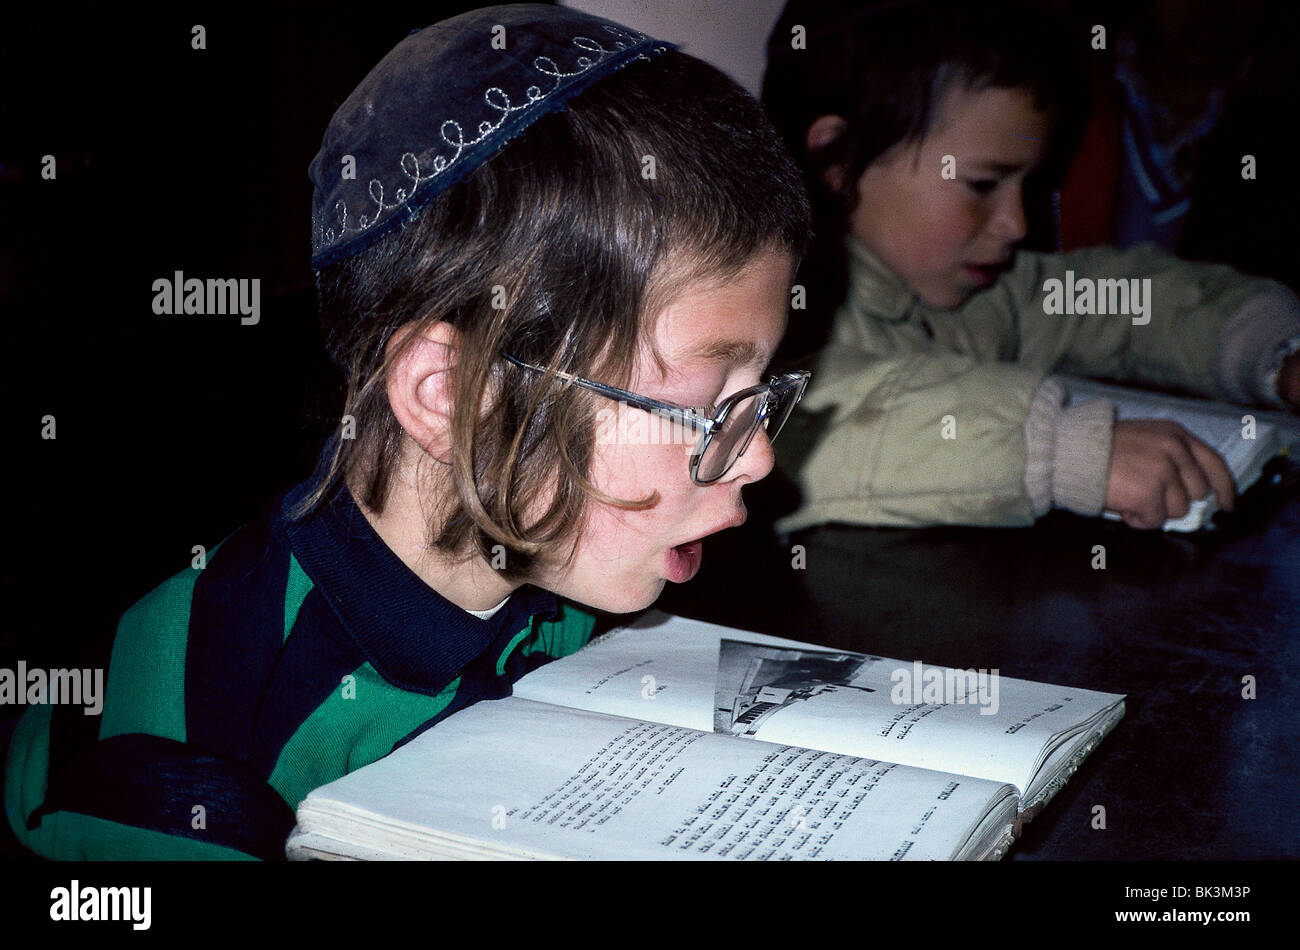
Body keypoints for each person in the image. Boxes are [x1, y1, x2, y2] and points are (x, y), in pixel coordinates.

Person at [2, 4, 811, 860]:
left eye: (760, 395)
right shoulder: (200, 751)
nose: (758, 455)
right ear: (453, 398)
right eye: (703, 408)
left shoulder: (553, 576)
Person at [761, 0, 1300, 533]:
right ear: (838, 159)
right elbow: (805, 428)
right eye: (983, 185)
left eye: (1028, 185)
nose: (1017, 223)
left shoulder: (980, 293)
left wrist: (1272, 349)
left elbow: (1111, 301)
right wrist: (1066, 451)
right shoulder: (774, 314)